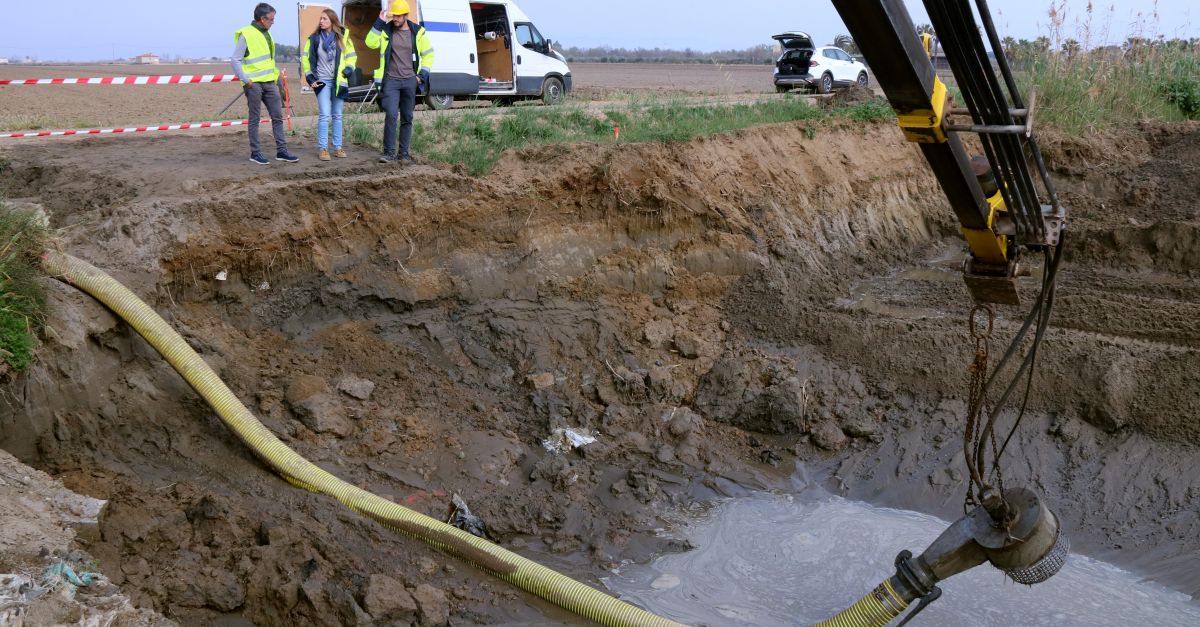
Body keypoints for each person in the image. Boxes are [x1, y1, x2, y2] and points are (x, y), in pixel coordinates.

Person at [365, 0, 435, 164]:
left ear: (405, 15)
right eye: (393, 16)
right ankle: (389, 153)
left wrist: (420, 76)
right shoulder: (386, 30)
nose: (395, 19)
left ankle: (403, 153)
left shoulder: (417, 32)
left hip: (410, 81)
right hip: (391, 81)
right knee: (391, 114)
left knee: (407, 117)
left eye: (398, 16)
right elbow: (370, 42)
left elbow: (429, 55)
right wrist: (379, 22)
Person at [232, 2, 298, 165]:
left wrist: (276, 78)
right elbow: (235, 60)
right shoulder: (246, 33)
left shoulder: (268, 34)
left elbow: (269, 61)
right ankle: (255, 153)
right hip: (253, 84)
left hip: (269, 83)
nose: (273, 22)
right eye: (271, 19)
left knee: (277, 117)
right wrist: (246, 80)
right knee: (254, 119)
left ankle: (282, 152)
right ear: (262, 19)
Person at [302, 9, 357, 161]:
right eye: (320, 18)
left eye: (324, 19)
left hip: (339, 81)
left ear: (332, 21)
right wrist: (310, 78)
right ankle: (323, 149)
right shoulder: (314, 38)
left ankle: (338, 147)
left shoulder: (343, 37)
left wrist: (349, 69)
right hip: (322, 81)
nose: (321, 21)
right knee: (325, 115)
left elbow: (351, 56)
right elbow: (306, 60)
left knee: (337, 115)